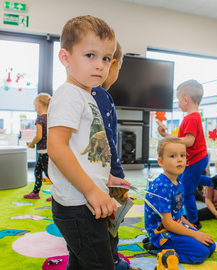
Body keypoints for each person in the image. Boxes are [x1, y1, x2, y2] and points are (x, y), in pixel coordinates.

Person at [47, 15, 137, 270]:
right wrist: (91, 190)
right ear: (65, 58)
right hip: (78, 206)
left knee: (82, 262)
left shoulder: (86, 96)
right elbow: (57, 147)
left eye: (106, 58)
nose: (100, 65)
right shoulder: (69, 95)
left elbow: (83, 151)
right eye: (90, 55)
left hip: (85, 202)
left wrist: (105, 179)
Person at [158, 79, 217, 230]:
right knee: (186, 180)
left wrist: (168, 137)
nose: (178, 103)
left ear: (186, 99)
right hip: (198, 159)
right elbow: (184, 139)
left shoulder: (190, 118)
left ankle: (194, 222)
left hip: (196, 160)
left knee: (187, 191)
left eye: (178, 100)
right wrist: (167, 136)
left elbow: (189, 141)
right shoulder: (193, 117)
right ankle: (213, 182)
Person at [91, 42, 136, 269]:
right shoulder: (101, 95)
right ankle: (114, 261)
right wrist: (118, 176)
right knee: (108, 226)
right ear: (115, 65)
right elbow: (105, 140)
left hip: (88, 178)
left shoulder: (85, 93)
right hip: (103, 179)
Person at [144, 137, 216, 264]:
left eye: (182, 155)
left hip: (175, 225)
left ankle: (171, 245)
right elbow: (167, 223)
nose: (179, 159)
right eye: (173, 156)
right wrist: (194, 235)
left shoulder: (179, 183)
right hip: (161, 232)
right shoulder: (161, 186)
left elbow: (177, 215)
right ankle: (156, 248)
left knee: (211, 246)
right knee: (202, 253)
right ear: (161, 162)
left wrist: (194, 230)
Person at [23, 93, 51, 201]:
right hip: (50, 149)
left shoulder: (40, 119)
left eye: (35, 106)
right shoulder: (51, 117)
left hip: (44, 150)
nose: (35, 109)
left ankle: (57, 195)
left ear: (39, 105)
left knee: (49, 174)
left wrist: (31, 144)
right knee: (38, 170)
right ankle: (35, 192)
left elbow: (39, 136)